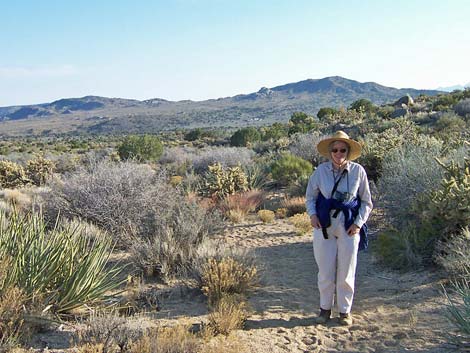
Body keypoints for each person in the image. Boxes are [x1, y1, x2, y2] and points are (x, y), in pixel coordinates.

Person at [305, 131, 373, 326]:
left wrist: (358, 223)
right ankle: (324, 309)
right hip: (324, 226)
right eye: (335, 149)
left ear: (348, 151)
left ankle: (345, 311)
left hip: (349, 226)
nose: (338, 153)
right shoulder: (320, 172)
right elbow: (310, 196)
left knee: (347, 271)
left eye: (343, 149)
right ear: (329, 152)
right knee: (325, 271)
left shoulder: (358, 171)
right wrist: (312, 215)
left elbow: (367, 202)